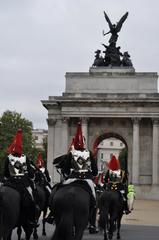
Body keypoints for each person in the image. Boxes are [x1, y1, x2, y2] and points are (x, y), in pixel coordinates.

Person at [50, 122, 98, 233]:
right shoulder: (89, 153)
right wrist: (91, 174)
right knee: (94, 200)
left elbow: (66, 170)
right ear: (84, 143)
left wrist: (68, 174)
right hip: (87, 180)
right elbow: (95, 171)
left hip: (72, 178)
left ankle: (52, 214)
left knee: (57, 190)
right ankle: (92, 224)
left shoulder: (71, 154)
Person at [3, 129, 40, 227]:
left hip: (10, 182)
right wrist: (31, 175)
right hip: (23, 183)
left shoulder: (8, 157)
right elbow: (30, 173)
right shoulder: (25, 157)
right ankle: (32, 220)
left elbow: (5, 173)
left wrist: (8, 177)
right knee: (32, 199)